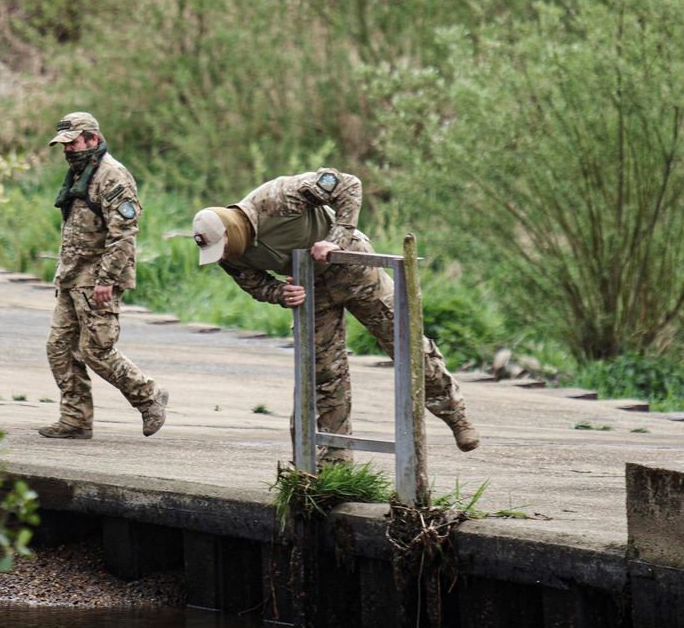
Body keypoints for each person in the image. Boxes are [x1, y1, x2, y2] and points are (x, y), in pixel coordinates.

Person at [191, 168, 479, 460]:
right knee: (323, 372)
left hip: (355, 270)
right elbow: (256, 285)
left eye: (222, 248)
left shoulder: (278, 198)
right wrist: (281, 293)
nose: (222, 257)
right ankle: (336, 458)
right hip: (312, 289)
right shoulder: (229, 257)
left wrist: (337, 238)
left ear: (231, 231)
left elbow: (349, 185)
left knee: (405, 342)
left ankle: (455, 414)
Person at [38, 111, 167, 440]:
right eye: (64, 145)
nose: (68, 150)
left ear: (92, 139)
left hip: (97, 279)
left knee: (97, 350)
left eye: (73, 143)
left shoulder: (112, 177)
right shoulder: (81, 173)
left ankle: (149, 396)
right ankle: (75, 419)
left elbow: (124, 235)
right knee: (60, 347)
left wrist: (106, 280)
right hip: (71, 276)